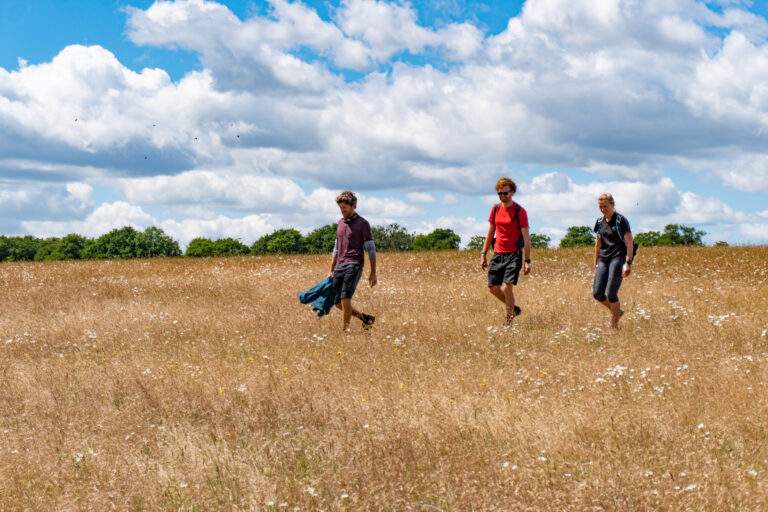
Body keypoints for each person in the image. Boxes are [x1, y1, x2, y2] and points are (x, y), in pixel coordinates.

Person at [480, 177, 531, 326]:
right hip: (497, 253)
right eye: (499, 193)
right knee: (493, 289)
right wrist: (483, 253)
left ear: (512, 192)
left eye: (505, 193)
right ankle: (513, 308)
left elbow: (527, 238)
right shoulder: (495, 209)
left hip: (514, 254)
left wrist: (527, 261)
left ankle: (508, 320)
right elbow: (490, 233)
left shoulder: (519, 211)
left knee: (506, 286)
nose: (502, 196)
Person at [329, 191, 377, 331]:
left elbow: (371, 249)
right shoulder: (340, 223)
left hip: (354, 263)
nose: (342, 211)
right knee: (337, 301)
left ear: (354, 206)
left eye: (345, 208)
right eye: (340, 208)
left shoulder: (363, 224)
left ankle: (345, 331)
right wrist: (331, 269)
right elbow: (336, 248)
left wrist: (373, 273)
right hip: (340, 265)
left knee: (345, 298)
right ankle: (365, 318)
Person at [592, 193, 633, 329]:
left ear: (612, 204)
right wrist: (596, 262)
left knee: (611, 292)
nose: (603, 209)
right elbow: (598, 243)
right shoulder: (599, 222)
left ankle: (613, 326)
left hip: (618, 257)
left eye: (605, 206)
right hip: (604, 259)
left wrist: (628, 263)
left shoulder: (620, 220)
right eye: (600, 207)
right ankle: (618, 312)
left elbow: (630, 242)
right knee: (597, 293)